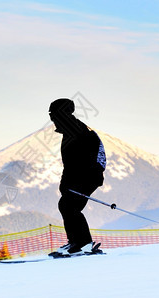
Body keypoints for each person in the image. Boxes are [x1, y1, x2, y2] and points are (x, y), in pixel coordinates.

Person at [49, 98, 106, 256]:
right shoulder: (71, 131)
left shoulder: (77, 131)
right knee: (67, 206)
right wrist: (65, 184)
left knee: (69, 206)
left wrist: (74, 182)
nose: (52, 119)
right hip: (84, 177)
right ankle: (77, 242)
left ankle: (82, 243)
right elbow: (70, 164)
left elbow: (81, 161)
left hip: (87, 177)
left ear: (62, 115)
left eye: (53, 115)